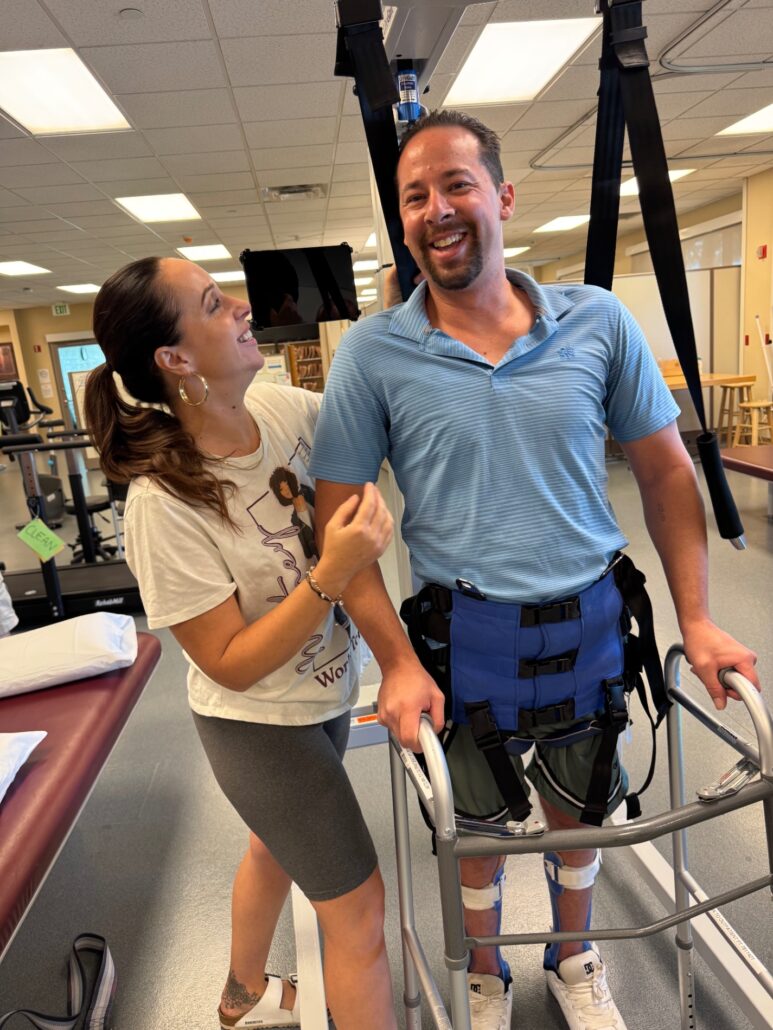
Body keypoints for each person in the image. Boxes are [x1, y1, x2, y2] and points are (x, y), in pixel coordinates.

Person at [309, 109, 760, 1030]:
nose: (437, 208)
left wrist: (698, 621)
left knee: (578, 819)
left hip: (590, 622)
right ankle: (485, 972)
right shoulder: (373, 354)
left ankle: (573, 958)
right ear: (403, 221)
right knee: (474, 838)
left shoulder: (594, 322)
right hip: (461, 638)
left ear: (502, 197)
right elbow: (338, 525)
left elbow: (667, 471)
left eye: (457, 185)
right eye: (416, 195)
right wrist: (394, 661)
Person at [83, 256, 397, 1030]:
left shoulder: (283, 410)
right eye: (215, 304)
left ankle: (240, 995)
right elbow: (225, 660)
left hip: (321, 690)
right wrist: (331, 574)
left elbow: (381, 414)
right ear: (176, 359)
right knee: (357, 914)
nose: (242, 311)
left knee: (271, 846)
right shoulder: (162, 503)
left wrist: (397, 322)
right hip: (257, 727)